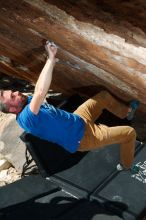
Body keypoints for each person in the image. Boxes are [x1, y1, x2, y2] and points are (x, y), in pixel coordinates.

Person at [0, 41, 139, 171]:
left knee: (103, 97)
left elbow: (39, 87)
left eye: (13, 92)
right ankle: (126, 165)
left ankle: (126, 112)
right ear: (12, 109)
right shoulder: (27, 119)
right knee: (129, 133)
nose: (17, 92)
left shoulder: (26, 101)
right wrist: (50, 59)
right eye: (13, 96)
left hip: (79, 118)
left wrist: (52, 61)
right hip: (83, 138)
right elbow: (40, 92)